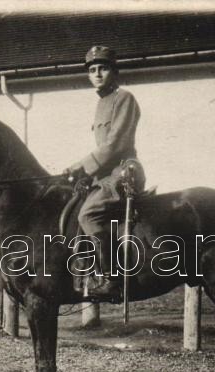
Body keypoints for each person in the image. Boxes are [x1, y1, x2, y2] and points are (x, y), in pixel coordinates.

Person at [65, 45, 145, 300]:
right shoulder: (101, 104)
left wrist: (81, 165)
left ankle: (113, 278)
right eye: (92, 70)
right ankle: (85, 273)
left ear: (114, 71)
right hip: (105, 175)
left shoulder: (125, 98)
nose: (97, 74)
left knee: (89, 214)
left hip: (124, 171)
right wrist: (84, 174)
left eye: (103, 68)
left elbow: (114, 145)